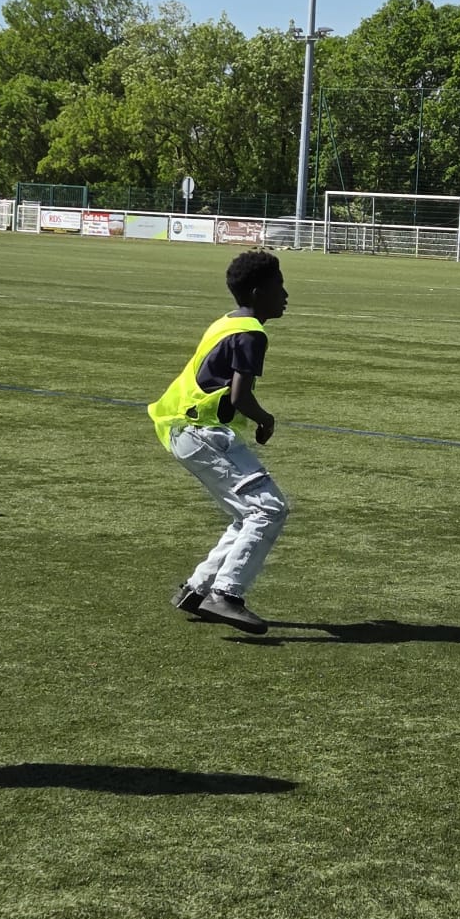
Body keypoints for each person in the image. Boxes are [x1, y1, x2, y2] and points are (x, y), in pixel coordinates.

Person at [148, 249, 290, 636]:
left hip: (185, 430)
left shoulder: (227, 322)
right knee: (269, 509)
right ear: (259, 292)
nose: (286, 294)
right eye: (279, 286)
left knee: (249, 513)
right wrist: (265, 419)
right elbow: (240, 396)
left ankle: (198, 589)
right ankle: (226, 594)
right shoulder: (251, 333)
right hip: (202, 433)